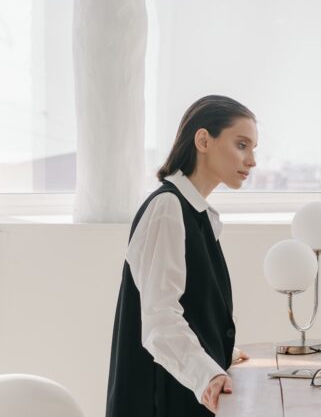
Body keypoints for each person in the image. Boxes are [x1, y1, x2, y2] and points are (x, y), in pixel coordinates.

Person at [106, 95, 258, 416]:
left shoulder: (198, 214)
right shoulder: (167, 209)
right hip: (159, 401)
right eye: (241, 145)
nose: (252, 160)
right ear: (203, 140)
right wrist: (210, 373)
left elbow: (192, 309)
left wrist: (221, 353)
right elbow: (160, 320)